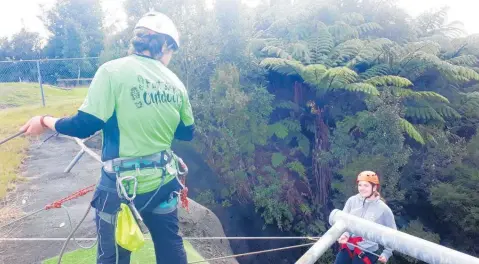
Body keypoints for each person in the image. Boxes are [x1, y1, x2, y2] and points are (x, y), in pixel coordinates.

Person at [19, 11, 194, 264]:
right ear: (165, 44)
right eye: (171, 51)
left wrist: (45, 121)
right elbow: (186, 132)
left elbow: (84, 125)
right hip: (163, 183)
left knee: (113, 256)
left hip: (121, 189)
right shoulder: (176, 83)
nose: (169, 58)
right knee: (171, 248)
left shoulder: (112, 71)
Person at [334, 171, 397, 264]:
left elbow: (393, 234)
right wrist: (345, 234)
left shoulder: (383, 209)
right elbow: (344, 222)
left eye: (366, 186)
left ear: (374, 187)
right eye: (360, 185)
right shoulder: (352, 201)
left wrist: (386, 253)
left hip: (367, 251)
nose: (362, 188)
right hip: (348, 246)